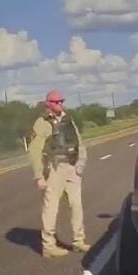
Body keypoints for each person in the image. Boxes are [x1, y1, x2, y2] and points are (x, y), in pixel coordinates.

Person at [28, 90, 91, 258]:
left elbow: (79, 142)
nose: (59, 104)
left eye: (61, 101)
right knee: (51, 208)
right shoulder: (42, 123)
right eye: (55, 102)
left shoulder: (68, 119)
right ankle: (48, 246)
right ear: (47, 103)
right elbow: (34, 150)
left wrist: (80, 166)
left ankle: (78, 241)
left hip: (72, 166)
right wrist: (39, 176)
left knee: (76, 205)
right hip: (54, 168)